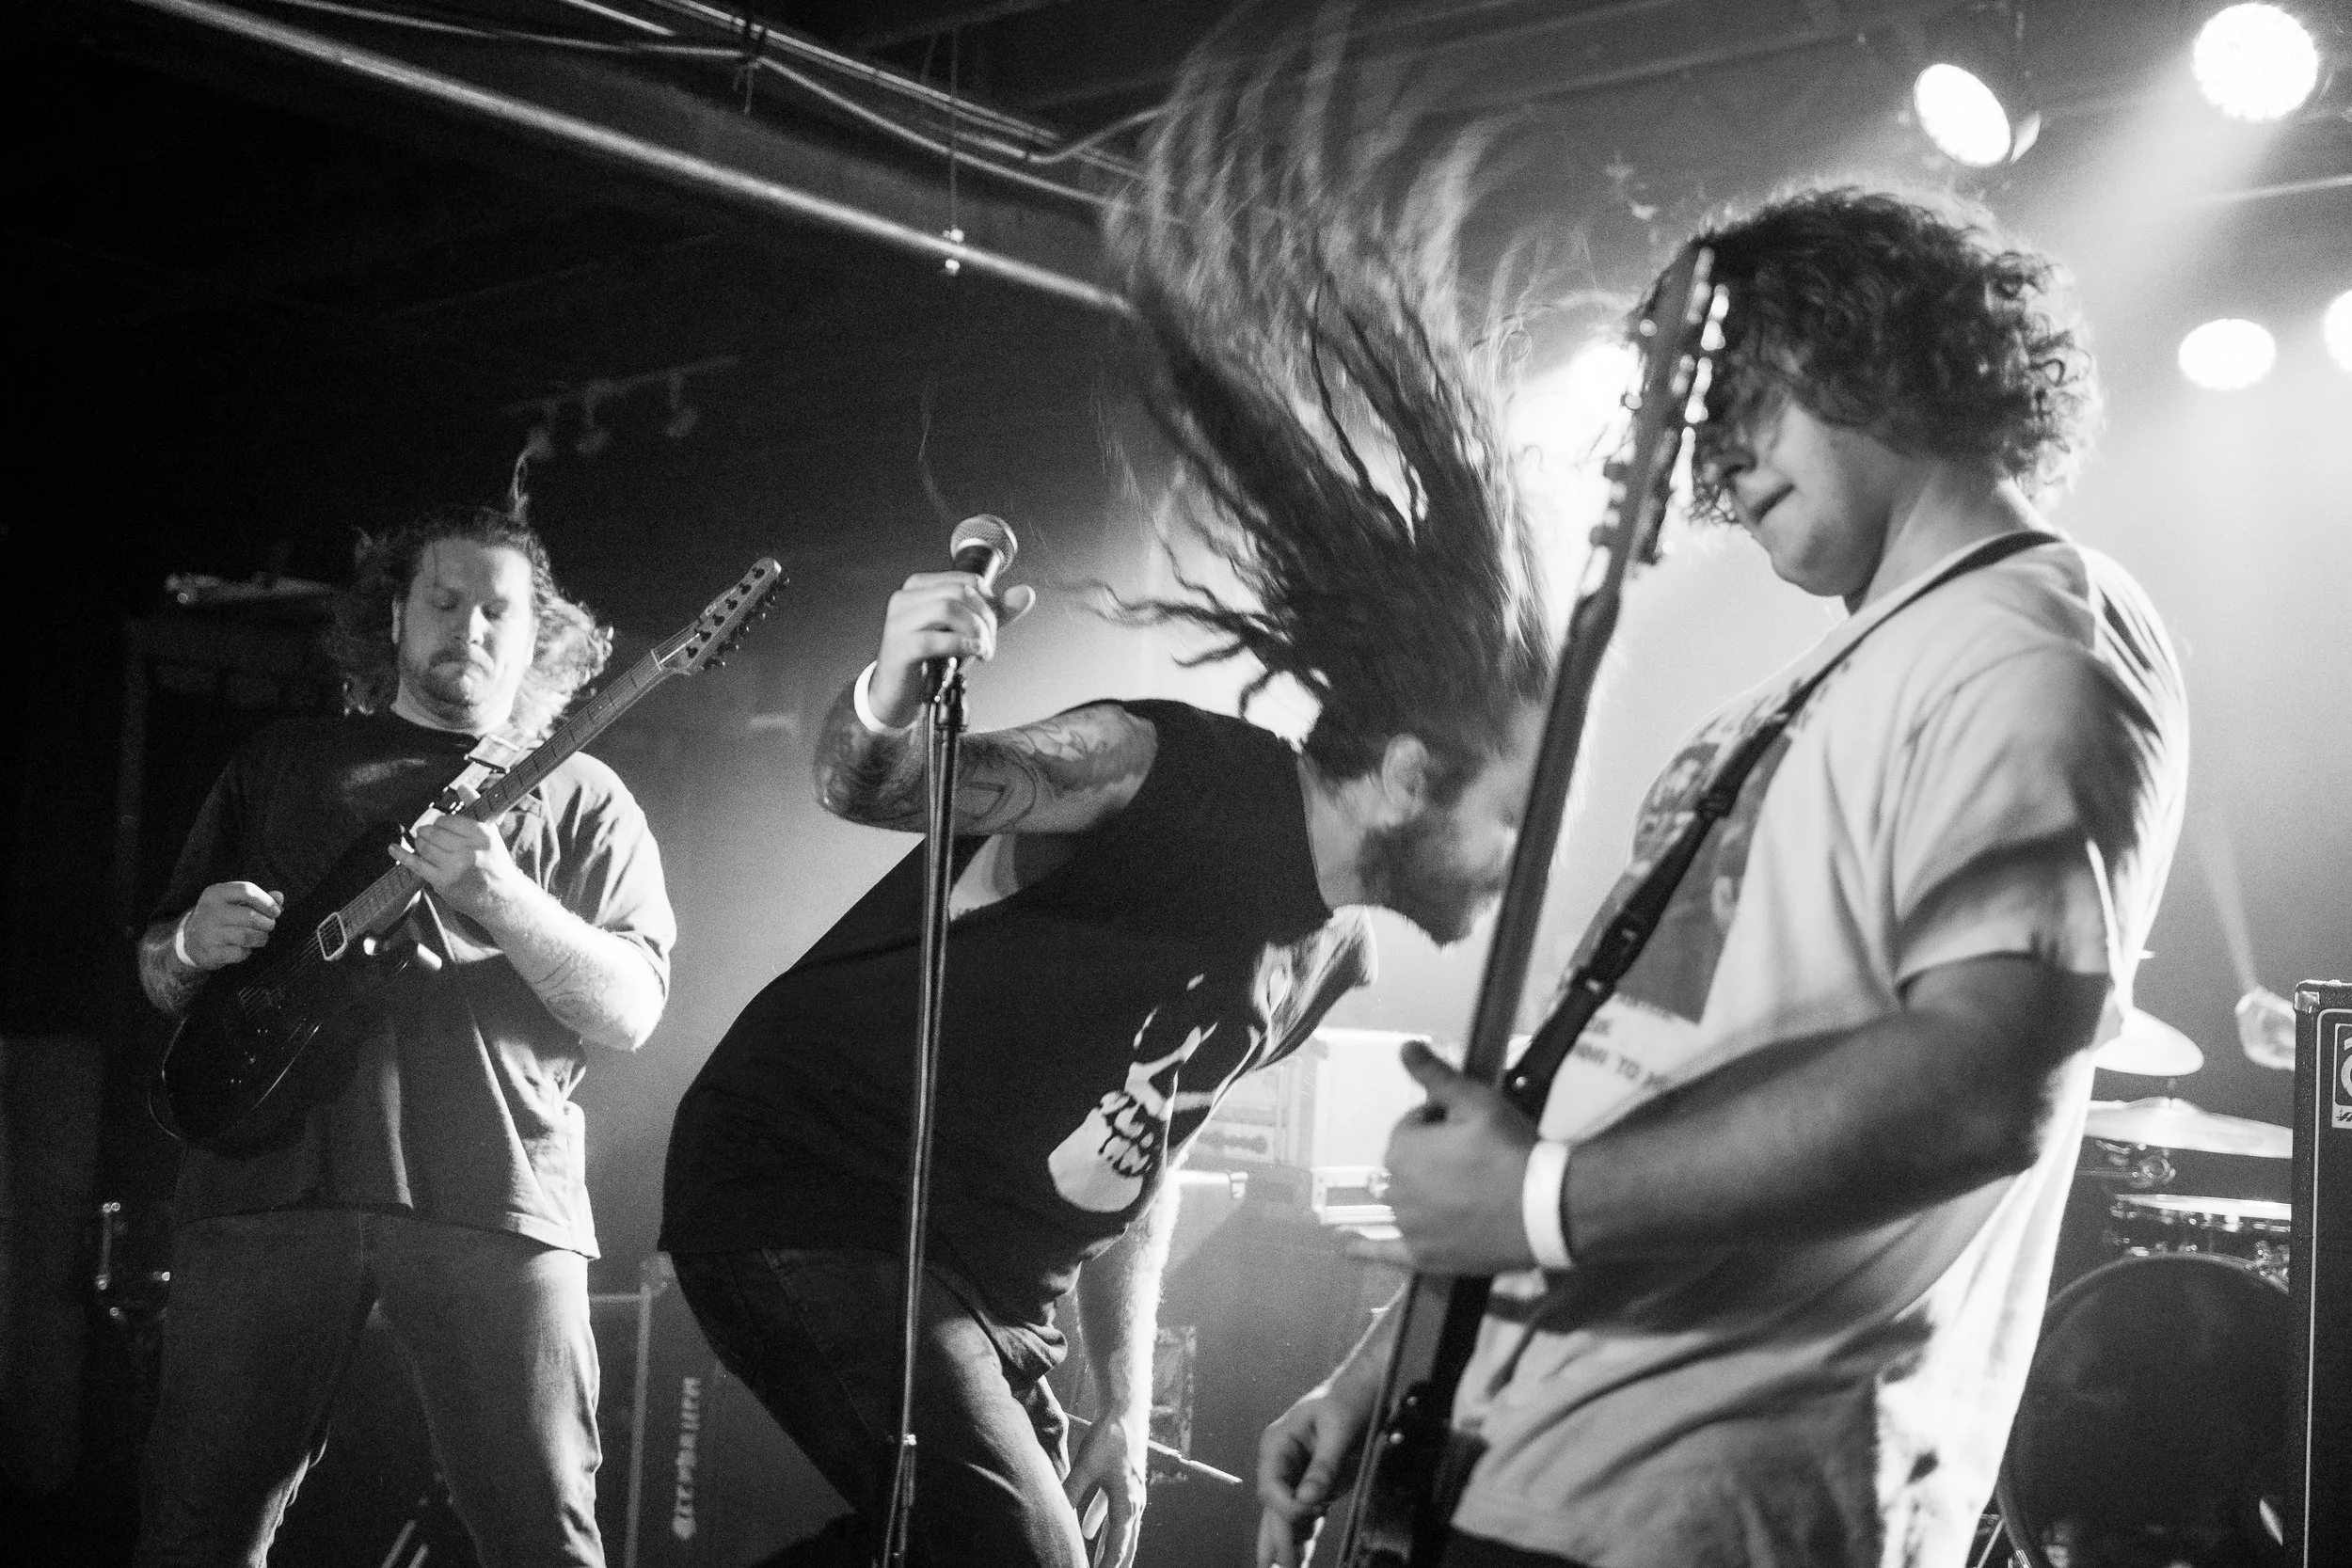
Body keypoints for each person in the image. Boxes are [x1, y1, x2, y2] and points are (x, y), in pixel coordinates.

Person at [657, 24, 1557, 1568]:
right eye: (1506, 805)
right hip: (813, 1186)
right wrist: (889, 678)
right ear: (1408, 774)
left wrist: (1124, 1398)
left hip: (996, 1280)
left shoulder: (1337, 946)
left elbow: (1142, 1151)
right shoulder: (1162, 766)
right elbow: (888, 782)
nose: (1523, 849)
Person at [1256, 187, 2189, 1568]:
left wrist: (1537, 1205)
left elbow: (1988, 1082)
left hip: (1715, 1494)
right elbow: (1619, 1082)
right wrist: (1397, 1360)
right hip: (1523, 1452)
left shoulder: (2032, 641)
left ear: (1868, 347)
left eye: (1749, 396)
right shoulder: (1806, 682)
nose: (1723, 461)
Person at [134, 505, 675, 1568]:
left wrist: (505, 897)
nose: (468, 627)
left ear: (537, 638)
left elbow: (632, 1008)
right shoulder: (283, 760)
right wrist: (191, 942)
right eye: (443, 600)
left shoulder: (583, 793)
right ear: (395, 614)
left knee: (543, 1536)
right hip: (263, 1187)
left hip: (498, 1194)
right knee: (194, 1531)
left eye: (497, 611)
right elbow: (157, 972)